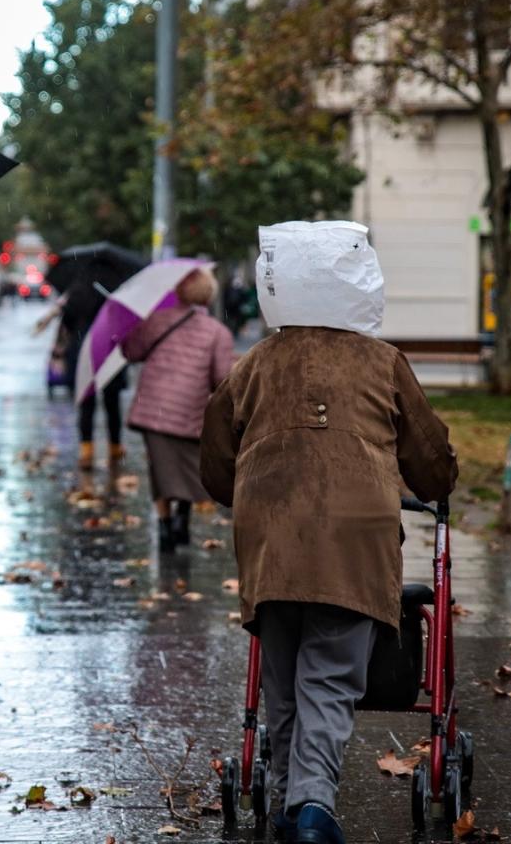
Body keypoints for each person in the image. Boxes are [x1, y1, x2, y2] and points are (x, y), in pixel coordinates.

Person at [199, 297, 457, 844]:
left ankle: (291, 808)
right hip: (353, 544)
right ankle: (313, 804)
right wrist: (438, 481)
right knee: (329, 680)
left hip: (272, 541)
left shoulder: (256, 363)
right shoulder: (383, 362)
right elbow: (431, 464)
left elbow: (216, 461)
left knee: (285, 682)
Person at [121, 267, 234, 551]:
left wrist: (131, 328)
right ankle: (182, 519)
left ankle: (164, 524)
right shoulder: (218, 332)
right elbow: (222, 378)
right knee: (186, 468)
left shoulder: (157, 321)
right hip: (190, 410)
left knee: (160, 468)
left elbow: (132, 352)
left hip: (154, 409)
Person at [58, 284, 126, 470]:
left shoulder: (76, 294)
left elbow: (67, 323)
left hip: (83, 352)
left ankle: (86, 452)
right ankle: (115, 448)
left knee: (86, 404)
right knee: (112, 404)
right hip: (109, 351)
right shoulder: (114, 293)